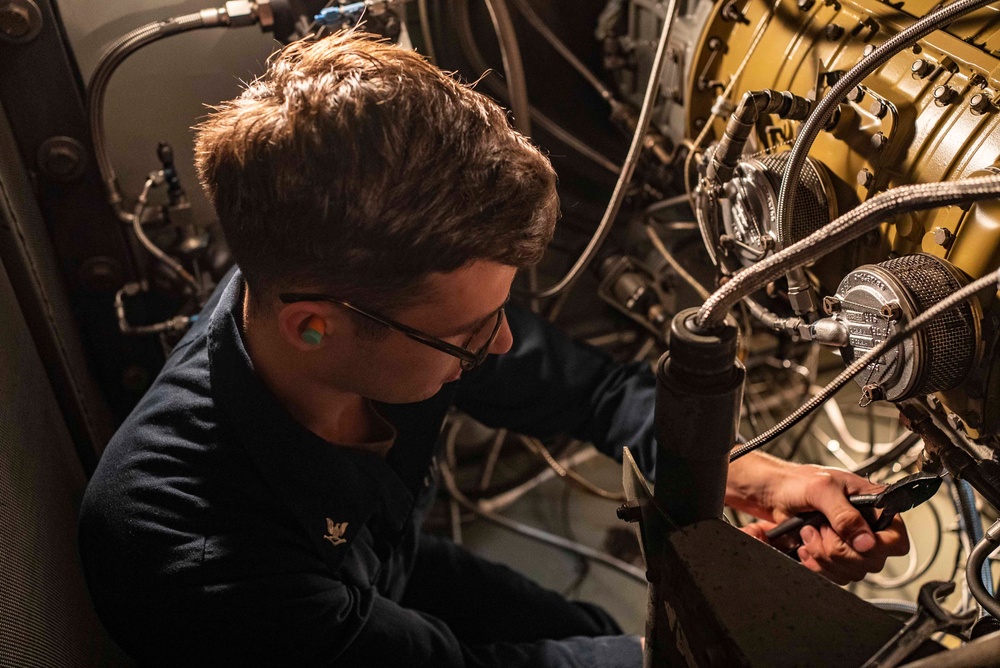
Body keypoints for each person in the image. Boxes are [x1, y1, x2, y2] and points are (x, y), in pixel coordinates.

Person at [78, 30, 908, 667]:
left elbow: (595, 395)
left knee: (586, 631)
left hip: (382, 566)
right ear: (315, 325)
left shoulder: (341, 299)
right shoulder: (185, 551)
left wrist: (753, 478)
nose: (503, 342)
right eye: (470, 334)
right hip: (313, 625)